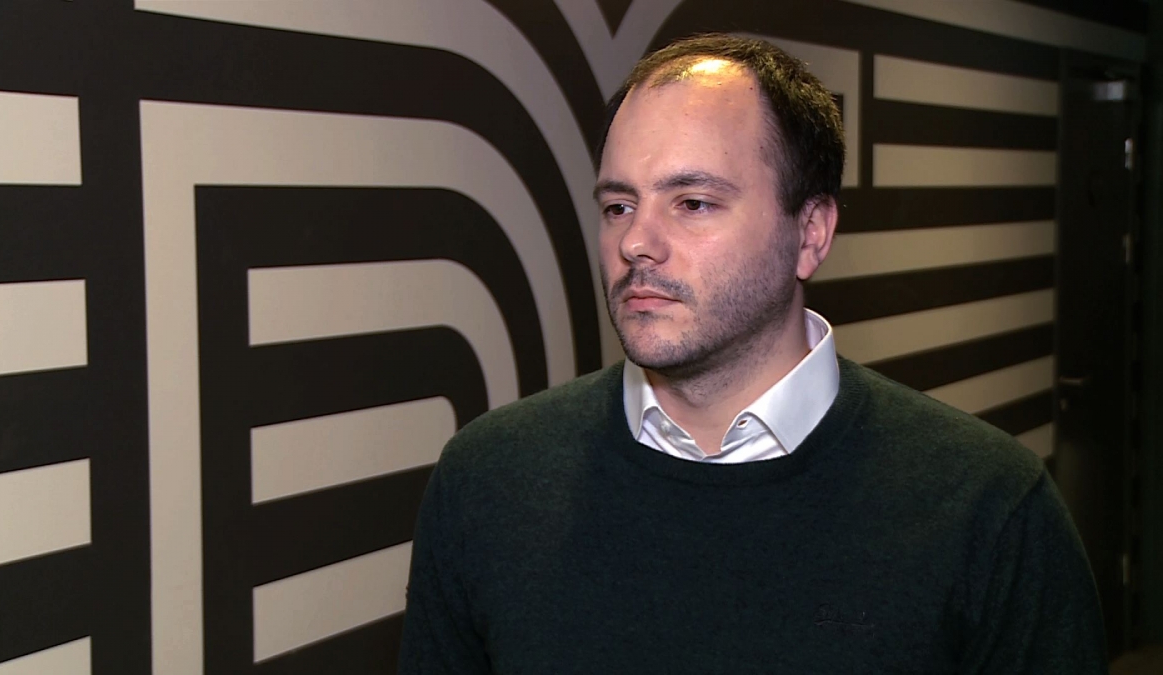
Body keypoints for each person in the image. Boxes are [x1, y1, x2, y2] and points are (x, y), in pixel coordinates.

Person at [399, 33, 1105, 673]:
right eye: (618, 206)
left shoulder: (987, 509)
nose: (636, 242)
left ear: (811, 233)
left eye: (693, 202)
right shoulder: (488, 481)